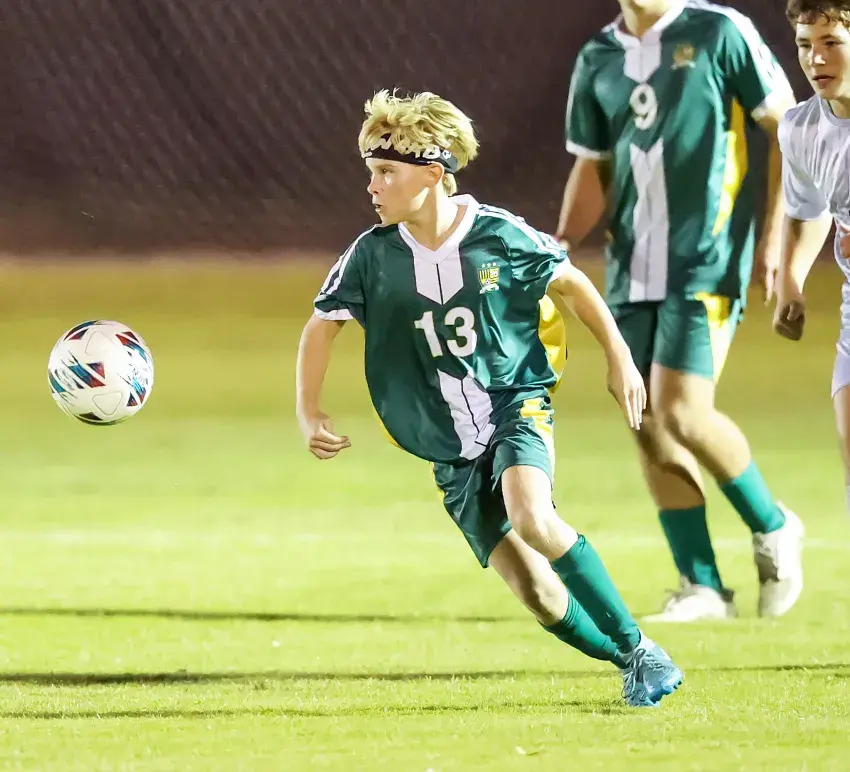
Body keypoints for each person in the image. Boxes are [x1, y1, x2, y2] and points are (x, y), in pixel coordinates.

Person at [295, 89, 682, 707]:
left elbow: (574, 285)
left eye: (386, 172)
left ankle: (640, 649)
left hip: (513, 402)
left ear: (432, 172)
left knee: (533, 517)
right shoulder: (371, 255)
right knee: (539, 595)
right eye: (371, 172)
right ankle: (632, 659)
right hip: (447, 442)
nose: (372, 187)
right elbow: (322, 325)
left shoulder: (498, 234)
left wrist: (619, 357)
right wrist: (308, 409)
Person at [557, 0, 804, 622]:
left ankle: (773, 525)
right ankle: (702, 586)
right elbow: (595, 163)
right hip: (630, 267)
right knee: (645, 419)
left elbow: (786, 130)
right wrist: (558, 245)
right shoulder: (598, 55)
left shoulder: (718, 31)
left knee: (682, 409)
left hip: (707, 259)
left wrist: (776, 238)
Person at [774, 1, 850, 511]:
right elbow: (806, 210)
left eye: (831, 43)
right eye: (805, 45)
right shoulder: (801, 129)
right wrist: (791, 282)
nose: (815, 59)